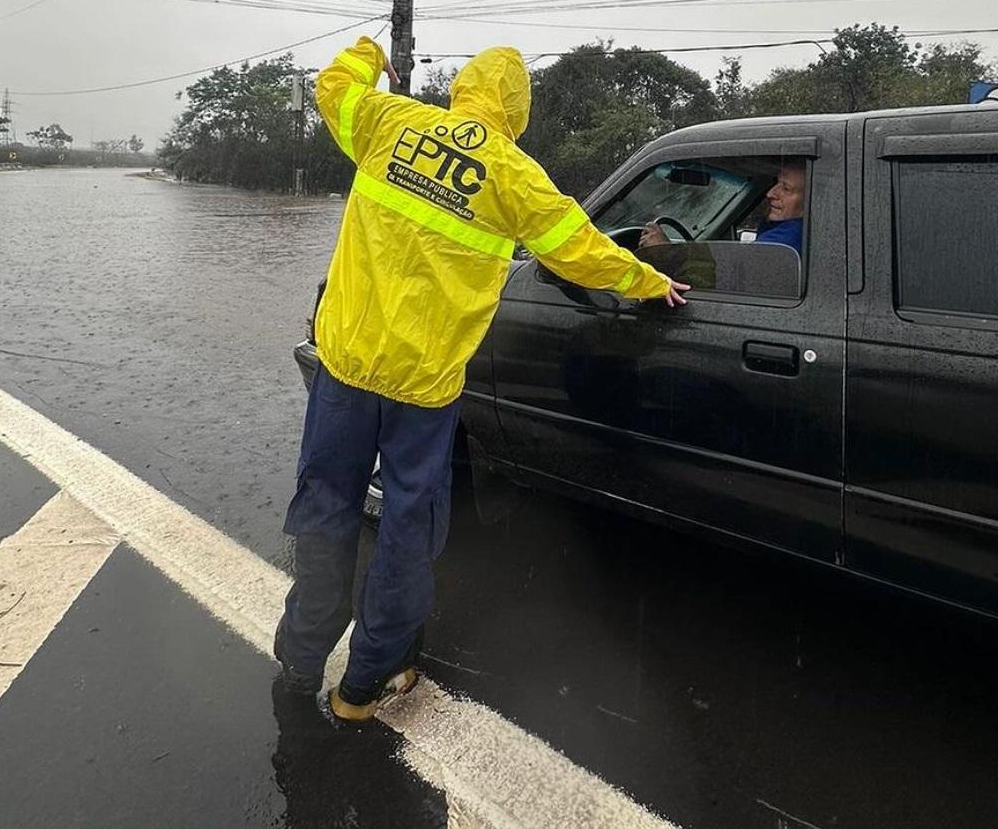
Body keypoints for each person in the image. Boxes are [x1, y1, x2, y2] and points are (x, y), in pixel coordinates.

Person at [275, 37, 690, 722]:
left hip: (346, 369)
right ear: (516, 109)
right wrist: (648, 280)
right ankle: (365, 685)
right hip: (423, 388)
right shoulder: (513, 175)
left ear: (462, 87)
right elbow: (582, 252)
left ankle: (299, 662)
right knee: (407, 529)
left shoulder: (390, 122)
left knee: (325, 511)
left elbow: (332, 89)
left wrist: (368, 52)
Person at [639, 160, 807, 255]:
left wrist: (666, 253)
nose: (770, 193)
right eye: (776, 183)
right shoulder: (799, 233)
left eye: (786, 189)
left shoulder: (784, 243)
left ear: (810, 201)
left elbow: (724, 279)